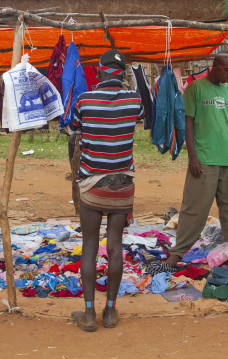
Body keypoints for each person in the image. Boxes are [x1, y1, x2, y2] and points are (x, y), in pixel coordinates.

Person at [69, 50, 143, 332]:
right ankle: (110, 310)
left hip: (92, 186)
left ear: (99, 71)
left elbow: (75, 129)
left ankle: (89, 315)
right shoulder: (135, 99)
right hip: (123, 187)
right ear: (122, 73)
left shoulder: (84, 100)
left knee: (90, 247)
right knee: (114, 248)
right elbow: (140, 117)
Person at [165, 54, 228, 266]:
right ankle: (178, 252)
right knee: (195, 208)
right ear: (214, 66)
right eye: (227, 69)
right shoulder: (195, 88)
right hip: (204, 160)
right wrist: (193, 157)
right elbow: (188, 124)